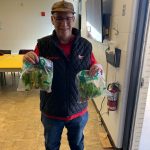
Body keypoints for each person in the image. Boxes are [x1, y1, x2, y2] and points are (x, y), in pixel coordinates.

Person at [23, 0, 102, 150]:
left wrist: (98, 67)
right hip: (52, 111)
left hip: (78, 111)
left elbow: (94, 65)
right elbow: (33, 65)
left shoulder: (85, 45)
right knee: (51, 146)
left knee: (77, 145)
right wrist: (28, 59)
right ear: (52, 19)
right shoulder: (43, 45)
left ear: (73, 18)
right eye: (59, 18)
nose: (63, 22)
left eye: (67, 17)